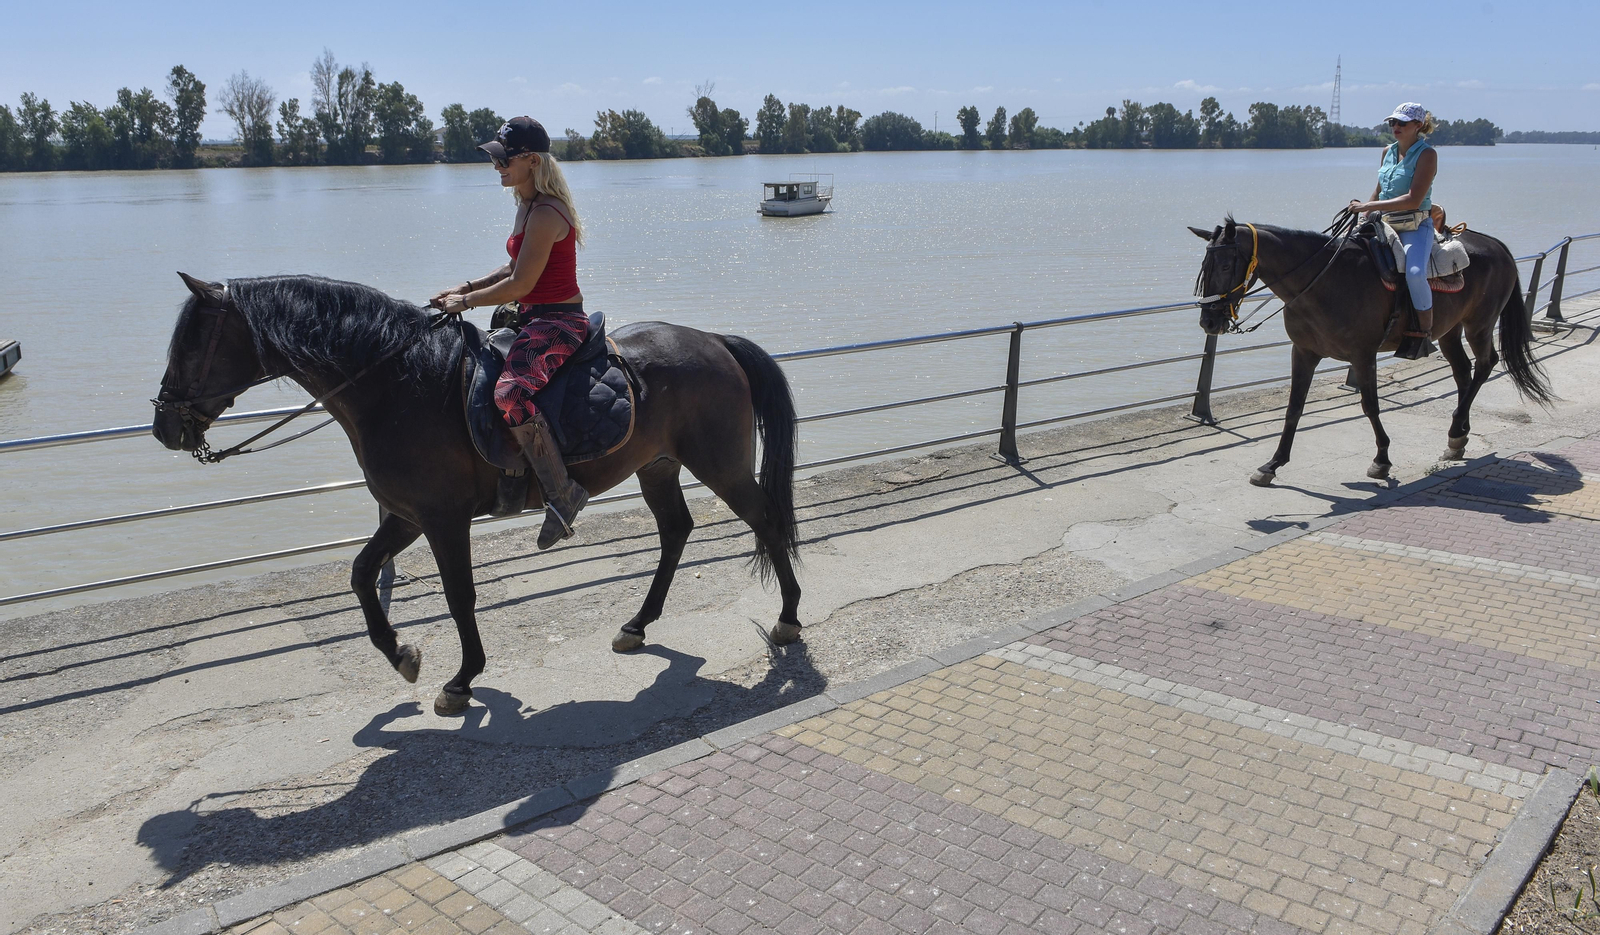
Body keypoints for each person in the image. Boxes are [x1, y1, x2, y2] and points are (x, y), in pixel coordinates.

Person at [431, 117, 589, 548]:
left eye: (504, 160)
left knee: (510, 394)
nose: (497, 167)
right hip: (532, 316)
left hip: (559, 321)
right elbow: (513, 267)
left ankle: (563, 493)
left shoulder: (547, 212)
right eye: (495, 160)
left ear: (531, 161)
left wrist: (466, 303)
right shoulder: (527, 204)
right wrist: (464, 287)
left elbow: (520, 285)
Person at [1347, 102, 1440, 360]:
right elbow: (1379, 191)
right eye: (1393, 122)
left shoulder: (1427, 155)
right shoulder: (1387, 151)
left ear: (1418, 126)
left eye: (1402, 123)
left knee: (1415, 273)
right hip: (1384, 222)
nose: (1395, 127)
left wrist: (1368, 206)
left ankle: (1424, 333)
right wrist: (1363, 218)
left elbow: (1413, 199)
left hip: (1414, 224)